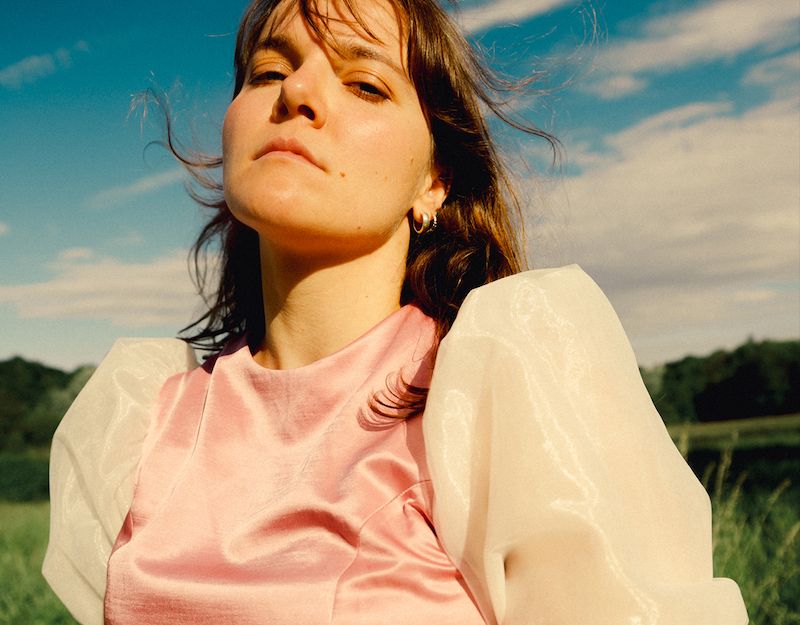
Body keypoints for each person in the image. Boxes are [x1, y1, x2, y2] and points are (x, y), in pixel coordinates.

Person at [43, 0, 748, 623]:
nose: (297, 92)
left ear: (434, 179)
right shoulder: (138, 422)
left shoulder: (502, 384)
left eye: (365, 83)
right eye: (265, 72)